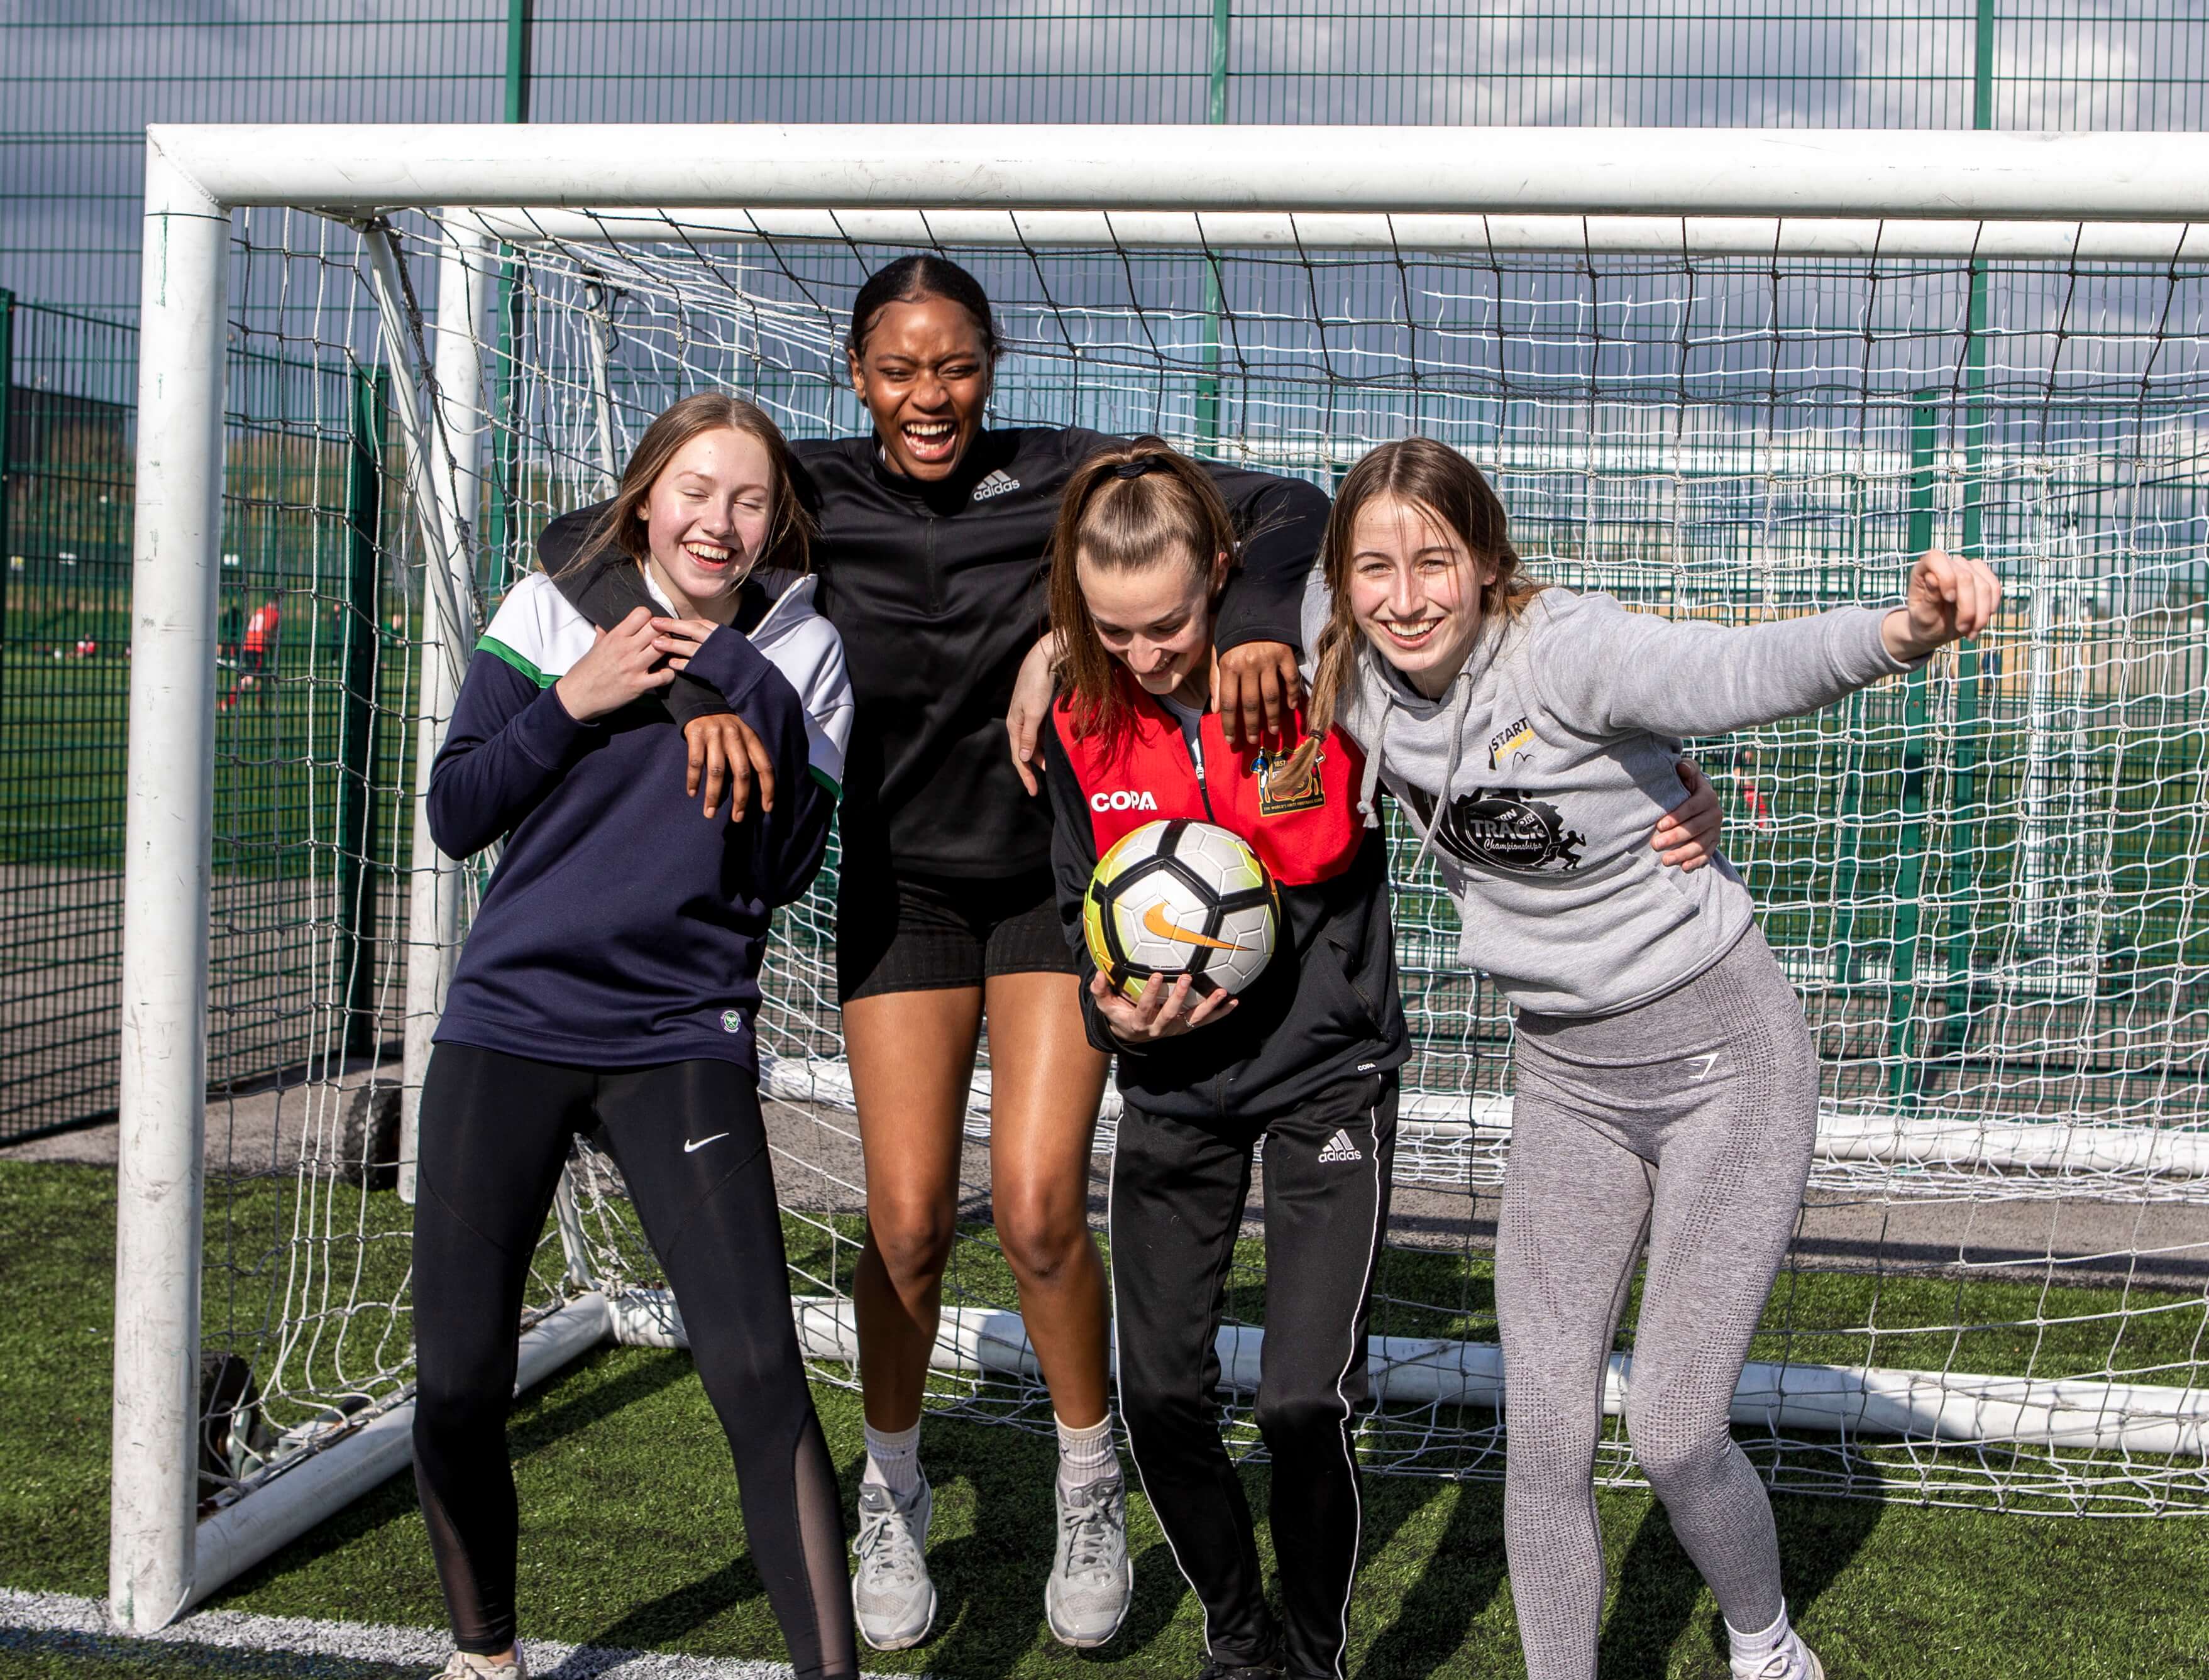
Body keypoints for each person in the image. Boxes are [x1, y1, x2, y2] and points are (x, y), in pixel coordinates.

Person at [534, 254, 1333, 1651]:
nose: (928, 394)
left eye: (953, 363)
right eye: (899, 367)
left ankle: (1090, 1479)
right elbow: (586, 541)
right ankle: (890, 1488)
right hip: (898, 897)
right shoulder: (809, 487)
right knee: (904, 1226)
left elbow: (1286, 509)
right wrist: (686, 688)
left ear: (990, 361)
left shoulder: (1067, 470)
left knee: (1031, 1210)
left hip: (1044, 889)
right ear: (856, 373)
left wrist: (1255, 625)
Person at [1299, 437, 2000, 1680]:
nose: (1402, 594)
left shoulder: (1563, 649)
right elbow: (1208, 543)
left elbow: (1733, 666)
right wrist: (1045, 661)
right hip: (1564, 1082)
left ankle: (1764, 1639)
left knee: (1673, 1432)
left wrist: (1900, 632)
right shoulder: (1333, 648)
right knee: (1545, 1434)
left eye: (1432, 561)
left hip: (1724, 1062)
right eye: (1372, 567)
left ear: (1486, 563)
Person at [413, 394, 857, 1680]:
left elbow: (780, 863)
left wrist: (717, 681)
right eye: (695, 490)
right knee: (456, 1378)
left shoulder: (805, 646)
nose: (718, 521)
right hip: (510, 1019)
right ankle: (483, 1652)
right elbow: (456, 810)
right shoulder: (553, 607)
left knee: (757, 1371)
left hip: (680, 1033)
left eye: (750, 499)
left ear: (778, 521)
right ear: (645, 494)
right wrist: (580, 696)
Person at [1038, 439, 1409, 1680]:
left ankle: (1310, 1655)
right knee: (1157, 1398)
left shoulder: (1312, 678)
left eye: (1168, 621)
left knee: (1301, 1400)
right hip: (1175, 1087)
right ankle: (1237, 1633)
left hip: (1324, 1072)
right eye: (1113, 628)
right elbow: (1066, 899)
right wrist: (1110, 1016)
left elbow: (1319, 508)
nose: (1145, 653)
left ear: (1222, 580)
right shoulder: (1081, 721)